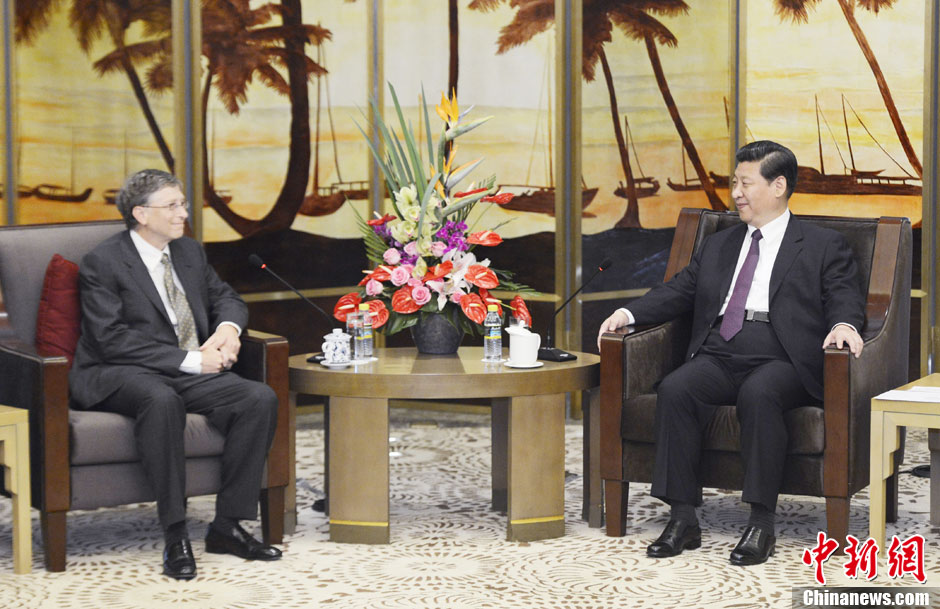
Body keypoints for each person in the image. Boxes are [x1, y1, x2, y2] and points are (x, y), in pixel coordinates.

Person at [596, 140, 864, 566]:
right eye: (734, 183)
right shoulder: (720, 244)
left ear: (778, 186)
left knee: (760, 393)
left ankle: (761, 522)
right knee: (677, 389)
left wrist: (844, 326)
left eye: (745, 183)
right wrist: (628, 313)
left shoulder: (822, 244)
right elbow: (679, 291)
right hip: (720, 351)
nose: (736, 193)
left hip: (783, 356)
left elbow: (844, 295)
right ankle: (683, 518)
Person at [69, 169, 282, 580]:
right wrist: (191, 361)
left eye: (182, 203)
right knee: (162, 400)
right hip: (119, 370)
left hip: (183, 367)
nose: (184, 213)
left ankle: (227, 526)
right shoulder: (104, 262)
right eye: (172, 206)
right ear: (141, 214)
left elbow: (226, 297)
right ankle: (175, 532)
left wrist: (228, 330)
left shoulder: (188, 252)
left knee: (257, 398)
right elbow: (109, 339)